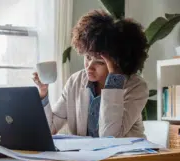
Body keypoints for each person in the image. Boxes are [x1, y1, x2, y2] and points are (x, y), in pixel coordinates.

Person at [33, 9, 149, 138]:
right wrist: (43, 93)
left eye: (100, 62)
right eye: (87, 57)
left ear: (118, 63)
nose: (89, 67)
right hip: (86, 157)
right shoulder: (75, 81)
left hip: (127, 157)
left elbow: (110, 137)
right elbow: (49, 129)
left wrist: (114, 81)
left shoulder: (136, 87)